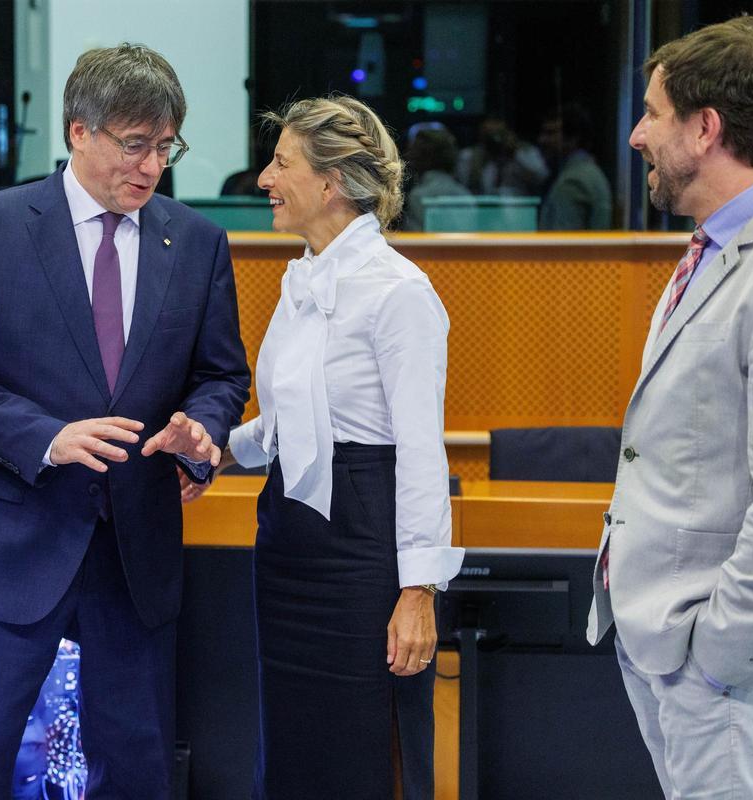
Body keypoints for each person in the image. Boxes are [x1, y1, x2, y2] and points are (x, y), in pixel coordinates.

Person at [0, 43, 249, 799]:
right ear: (78, 132)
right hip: (11, 541)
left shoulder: (195, 242)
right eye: (135, 145)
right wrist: (45, 437)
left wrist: (202, 427)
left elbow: (222, 373)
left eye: (166, 147)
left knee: (136, 764)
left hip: (136, 548)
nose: (152, 165)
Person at [190, 95, 464, 799]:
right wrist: (212, 448)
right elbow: (285, 428)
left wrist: (418, 592)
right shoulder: (301, 280)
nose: (264, 180)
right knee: (290, 750)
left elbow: (420, 452)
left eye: (281, 163)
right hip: (286, 546)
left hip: (361, 553)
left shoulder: (400, 291)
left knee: (363, 753)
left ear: (331, 183)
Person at [586, 15, 753, 797]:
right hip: (667, 645)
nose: (636, 135)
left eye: (652, 113)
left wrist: (726, 652)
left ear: (706, 128)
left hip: (728, 670)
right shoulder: (713, 245)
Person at [537, 102, 613, 230]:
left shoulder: (572, 182)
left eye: (550, 133)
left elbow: (562, 245)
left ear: (572, 138)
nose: (542, 140)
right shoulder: (590, 172)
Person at [455, 116, 548, 196]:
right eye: (489, 134)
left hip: (518, 209)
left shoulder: (526, 151)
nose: (495, 140)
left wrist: (515, 153)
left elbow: (541, 177)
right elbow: (462, 184)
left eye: (498, 133)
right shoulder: (468, 156)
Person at [402, 125, 471, 231]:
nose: (408, 156)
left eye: (413, 151)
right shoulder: (465, 194)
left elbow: (415, 243)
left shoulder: (418, 196)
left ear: (427, 157)